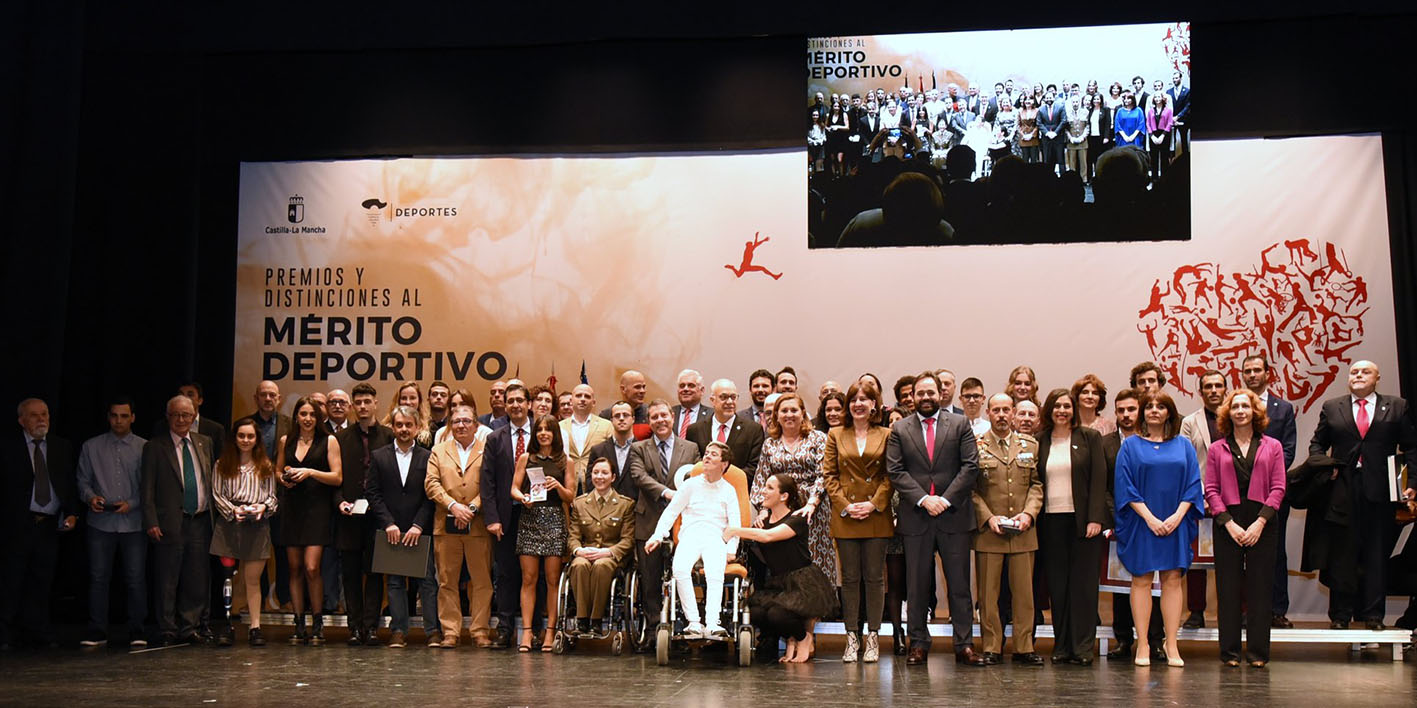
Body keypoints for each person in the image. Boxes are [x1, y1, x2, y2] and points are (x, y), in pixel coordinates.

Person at [1306, 360, 1417, 629]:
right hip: (1342, 491)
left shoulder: (1397, 406)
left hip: (1381, 493)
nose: (1358, 375)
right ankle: (1340, 616)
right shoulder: (1333, 407)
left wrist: (1411, 483)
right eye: (1354, 372)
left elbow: (1411, 448)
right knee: (1342, 554)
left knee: (1376, 555)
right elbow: (1317, 445)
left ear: (1377, 378)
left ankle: (1373, 616)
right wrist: (1325, 469)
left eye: (1365, 371)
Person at [886, 371, 987, 666]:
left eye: (932, 392)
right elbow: (895, 471)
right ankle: (917, 643)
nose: (926, 397)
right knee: (916, 585)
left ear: (941, 394)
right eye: (921, 393)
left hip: (953, 515)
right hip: (916, 516)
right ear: (913, 397)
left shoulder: (959, 425)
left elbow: (970, 467)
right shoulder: (900, 429)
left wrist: (944, 499)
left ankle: (964, 645)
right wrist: (923, 499)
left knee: (959, 585)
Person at [1113, 391, 1204, 667]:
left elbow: (1193, 484)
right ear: (1142, 413)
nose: (1154, 410)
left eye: (1160, 406)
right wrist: (1150, 518)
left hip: (1175, 521)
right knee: (1141, 579)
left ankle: (1172, 644)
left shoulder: (1184, 445)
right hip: (1143, 522)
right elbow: (1124, 487)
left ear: (1169, 413)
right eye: (1149, 406)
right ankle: (1142, 644)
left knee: (1172, 580)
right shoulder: (1130, 446)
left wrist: (1178, 515)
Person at [1205, 388, 1286, 667]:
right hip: (1227, 521)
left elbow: (1278, 488)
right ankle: (1229, 653)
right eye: (1235, 407)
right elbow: (1211, 490)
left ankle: (1257, 654)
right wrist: (1228, 523)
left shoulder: (1272, 446)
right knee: (1227, 590)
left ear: (1255, 412)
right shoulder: (1217, 448)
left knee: (1260, 589)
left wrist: (1259, 523)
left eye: (1245, 406)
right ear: (1228, 413)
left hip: (1262, 521)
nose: (1240, 411)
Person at [1036, 388, 1109, 665]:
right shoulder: (1040, 440)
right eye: (1057, 406)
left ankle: (1082, 648)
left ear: (1074, 410)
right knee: (1058, 585)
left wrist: (1095, 518)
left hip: (1083, 523)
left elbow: (1099, 480)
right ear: (1050, 410)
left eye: (1067, 406)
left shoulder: (1089, 437)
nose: (1062, 411)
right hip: (1050, 521)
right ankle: (1062, 645)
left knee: (1084, 587)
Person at [730, 472, 837, 662]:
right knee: (755, 612)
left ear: (784, 496)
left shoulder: (797, 518)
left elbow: (768, 537)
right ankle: (790, 638)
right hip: (778, 581)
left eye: (770, 488)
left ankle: (804, 638)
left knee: (777, 615)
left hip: (802, 581)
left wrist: (734, 530)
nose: (763, 491)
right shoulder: (763, 523)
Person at [822, 380, 893, 663]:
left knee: (875, 579)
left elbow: (891, 475)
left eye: (865, 398)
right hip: (847, 515)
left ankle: (873, 637)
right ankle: (851, 637)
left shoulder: (887, 434)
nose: (859, 403)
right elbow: (829, 476)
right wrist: (847, 505)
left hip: (876, 514)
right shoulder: (836, 434)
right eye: (854, 399)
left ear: (875, 404)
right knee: (850, 579)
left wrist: (873, 504)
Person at [972, 394, 1044, 666]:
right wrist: (988, 518)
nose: (1001, 415)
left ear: (1013, 413)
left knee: (1025, 594)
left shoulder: (1029, 446)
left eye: (1006, 410)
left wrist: (1029, 514)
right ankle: (991, 646)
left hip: (1023, 531)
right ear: (988, 412)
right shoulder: (976, 446)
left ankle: (1024, 646)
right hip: (990, 532)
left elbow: (1037, 485)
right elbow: (971, 490)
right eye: (996, 410)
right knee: (988, 596)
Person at [645, 441, 742, 639]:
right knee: (679, 570)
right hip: (690, 536)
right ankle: (694, 622)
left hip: (716, 537)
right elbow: (670, 513)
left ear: (724, 464)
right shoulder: (690, 485)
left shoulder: (729, 490)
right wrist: (657, 536)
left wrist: (731, 548)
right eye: (706, 453)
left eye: (713, 454)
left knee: (715, 573)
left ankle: (713, 622)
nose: (707, 457)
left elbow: (735, 524)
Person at [4, 398, 78, 650]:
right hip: (18, 526)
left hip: (49, 525)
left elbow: (68, 483)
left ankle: (39, 631)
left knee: (43, 580)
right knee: (12, 581)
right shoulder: (10, 448)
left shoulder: (60, 446)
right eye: (34, 415)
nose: (41, 419)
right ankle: (7, 632)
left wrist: (71, 513)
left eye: (44, 414)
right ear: (21, 421)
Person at [141, 395, 215, 646]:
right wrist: (151, 520)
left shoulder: (204, 443)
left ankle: (190, 627)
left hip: (200, 520)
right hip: (169, 522)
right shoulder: (155, 446)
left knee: (196, 577)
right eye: (176, 415)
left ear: (194, 417)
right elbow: (147, 488)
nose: (181, 420)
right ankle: (167, 628)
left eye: (186, 415)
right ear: (168, 417)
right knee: (167, 577)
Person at [627, 399, 701, 642]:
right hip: (649, 520)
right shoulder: (639, 448)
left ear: (672, 418)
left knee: (682, 574)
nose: (660, 420)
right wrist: (667, 492)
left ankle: (681, 625)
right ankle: (653, 629)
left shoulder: (690, 448)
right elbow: (639, 476)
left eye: (664, 415)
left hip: (683, 523)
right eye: (654, 416)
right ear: (649, 421)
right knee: (649, 579)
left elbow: (696, 479)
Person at [423, 403, 496, 648]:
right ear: (450, 425)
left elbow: (490, 484)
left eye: (466, 421)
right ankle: (451, 632)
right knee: (446, 581)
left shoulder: (488, 449)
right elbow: (431, 484)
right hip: (446, 525)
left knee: (482, 581)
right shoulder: (438, 450)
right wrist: (453, 506)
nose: (461, 425)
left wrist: (473, 508)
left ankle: (480, 631)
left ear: (476, 425)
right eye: (456, 421)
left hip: (478, 526)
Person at [76, 396, 147, 648]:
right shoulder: (91, 446)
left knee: (135, 578)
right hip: (100, 522)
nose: (119, 421)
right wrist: (90, 497)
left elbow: (149, 486)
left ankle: (137, 630)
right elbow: (82, 480)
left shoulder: (143, 447)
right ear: (108, 417)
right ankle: (97, 630)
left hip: (133, 522)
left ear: (133, 418)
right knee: (98, 577)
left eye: (124, 416)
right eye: (114, 416)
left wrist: (133, 503)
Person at [274, 396, 343, 645]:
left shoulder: (328, 441)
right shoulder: (286, 440)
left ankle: (318, 621)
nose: (307, 418)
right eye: (303, 414)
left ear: (319, 417)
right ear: (296, 417)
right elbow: (278, 470)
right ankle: (298, 621)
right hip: (292, 508)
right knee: (294, 568)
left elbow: (337, 477)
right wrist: (285, 479)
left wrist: (311, 472)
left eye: (312, 414)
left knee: (312, 567)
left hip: (317, 509)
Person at [1101, 388, 1163, 660]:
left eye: (1131, 409)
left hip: (1151, 522)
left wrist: (1150, 515)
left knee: (1155, 584)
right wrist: (1118, 517)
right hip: (1120, 523)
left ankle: (1154, 641)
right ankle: (1124, 640)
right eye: (1121, 410)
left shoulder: (1153, 442)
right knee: (1120, 586)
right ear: (1115, 413)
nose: (1126, 415)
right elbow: (1103, 486)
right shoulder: (1105, 444)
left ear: (1140, 412)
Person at [752, 393, 836, 591]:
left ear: (803, 413)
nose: (789, 415)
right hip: (780, 511)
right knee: (786, 561)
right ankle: (789, 608)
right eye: (784, 411)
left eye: (794, 410)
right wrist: (763, 510)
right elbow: (760, 479)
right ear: (776, 416)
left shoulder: (818, 438)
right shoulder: (769, 443)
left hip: (812, 511)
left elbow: (824, 474)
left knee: (814, 559)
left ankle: (819, 611)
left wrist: (812, 503)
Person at [1239, 353, 1298, 628]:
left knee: (1275, 552)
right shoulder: (1234, 406)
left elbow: (1288, 451)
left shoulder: (1283, 408)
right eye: (1247, 371)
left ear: (1267, 374)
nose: (1252, 375)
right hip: (1238, 494)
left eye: (1256, 370)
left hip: (1271, 493)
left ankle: (1277, 609)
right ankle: (1246, 609)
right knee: (1241, 555)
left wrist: (1264, 475)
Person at [209, 417, 278, 647]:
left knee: (252, 579)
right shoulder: (222, 464)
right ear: (234, 438)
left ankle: (255, 627)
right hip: (229, 525)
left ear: (257, 439)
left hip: (257, 527)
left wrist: (263, 507)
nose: (246, 440)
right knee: (228, 578)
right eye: (241, 436)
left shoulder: (265, 465)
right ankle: (227, 624)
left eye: (250, 436)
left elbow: (272, 497)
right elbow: (217, 495)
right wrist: (233, 511)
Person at [332, 382, 392, 646]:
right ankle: (354, 627)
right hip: (349, 516)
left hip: (378, 516)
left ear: (376, 403)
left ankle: (371, 627)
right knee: (351, 573)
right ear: (352, 406)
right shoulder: (341, 439)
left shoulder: (389, 436)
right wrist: (339, 502)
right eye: (358, 402)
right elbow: (335, 479)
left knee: (376, 572)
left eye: (368, 401)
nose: (363, 406)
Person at [511, 414, 575, 651]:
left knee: (551, 580)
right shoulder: (526, 458)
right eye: (540, 430)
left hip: (554, 520)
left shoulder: (564, 461)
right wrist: (523, 498)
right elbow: (514, 489)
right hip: (529, 519)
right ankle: (527, 633)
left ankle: (550, 632)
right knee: (528, 579)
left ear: (555, 433)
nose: (543, 433)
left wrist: (557, 486)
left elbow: (571, 496)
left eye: (548, 430)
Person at [481, 382, 533, 647]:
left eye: (519, 400)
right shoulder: (494, 437)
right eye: (510, 400)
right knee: (506, 574)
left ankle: (532, 629)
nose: (515, 405)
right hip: (505, 517)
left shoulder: (544, 433)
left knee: (534, 576)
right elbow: (487, 481)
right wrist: (491, 518)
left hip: (538, 516)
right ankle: (504, 628)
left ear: (529, 404)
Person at [1179, 369, 1227, 629]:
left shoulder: (1237, 416)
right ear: (1201, 392)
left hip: (1231, 499)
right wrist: (1202, 495)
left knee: (1231, 559)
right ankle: (1196, 612)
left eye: (1218, 386)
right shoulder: (1189, 422)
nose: (1213, 391)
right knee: (1196, 559)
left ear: (1225, 389)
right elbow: (1186, 462)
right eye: (1208, 386)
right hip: (1198, 499)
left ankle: (1236, 611)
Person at [567, 457, 635, 633]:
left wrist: (608, 552)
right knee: (579, 565)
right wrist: (578, 550)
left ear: (613, 477)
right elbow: (573, 535)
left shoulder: (625, 504)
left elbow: (628, 540)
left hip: (610, 557)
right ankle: (582, 619)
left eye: (605, 473)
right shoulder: (580, 503)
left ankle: (596, 620)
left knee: (601, 565)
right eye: (596, 473)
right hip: (586, 553)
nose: (599, 477)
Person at [687, 379, 765, 479]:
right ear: (712, 400)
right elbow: (692, 465)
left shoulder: (753, 430)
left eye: (733, 397)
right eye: (723, 397)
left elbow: (754, 468)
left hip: (737, 491)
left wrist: (719, 478)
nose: (729, 402)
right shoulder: (695, 430)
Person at [559, 384, 612, 493]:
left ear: (593, 402)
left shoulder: (607, 426)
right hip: (566, 484)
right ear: (571, 401)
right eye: (578, 396)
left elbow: (611, 458)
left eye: (587, 396)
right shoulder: (559, 426)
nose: (582, 399)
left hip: (596, 485)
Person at [591, 401, 640, 500]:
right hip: (605, 509)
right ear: (611, 420)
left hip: (635, 509)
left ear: (633, 419)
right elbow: (590, 485)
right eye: (617, 416)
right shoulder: (597, 450)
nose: (621, 418)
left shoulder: (644, 450)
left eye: (625, 415)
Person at [672, 369, 712, 439]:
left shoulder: (712, 415)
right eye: (682, 386)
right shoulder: (669, 413)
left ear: (702, 390)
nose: (685, 389)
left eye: (691, 385)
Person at [1145, 93, 1174, 182]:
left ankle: (1164, 179)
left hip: (1164, 135)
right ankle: (1154, 179)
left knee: (1164, 157)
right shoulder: (1151, 111)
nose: (1157, 99)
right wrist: (1152, 136)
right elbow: (1148, 124)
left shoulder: (1168, 110)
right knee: (1153, 158)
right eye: (1155, 97)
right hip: (1153, 135)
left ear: (1162, 98)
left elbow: (1170, 123)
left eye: (1159, 97)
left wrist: (1162, 136)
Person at [1065, 95, 1090, 178]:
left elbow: (1087, 126)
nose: (1075, 104)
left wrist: (1082, 137)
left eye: (1077, 102)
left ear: (1079, 102)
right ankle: (1073, 179)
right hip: (1071, 142)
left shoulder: (1085, 112)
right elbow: (1066, 128)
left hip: (1082, 141)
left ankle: (1084, 179)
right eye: (1073, 102)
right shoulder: (1067, 113)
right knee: (1072, 162)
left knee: (1083, 162)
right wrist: (1070, 138)